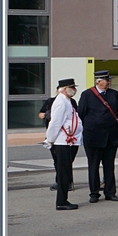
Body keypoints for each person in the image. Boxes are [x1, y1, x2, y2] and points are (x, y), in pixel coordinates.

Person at [77, 70, 118, 203]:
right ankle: (94, 193)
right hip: (94, 136)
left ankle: (110, 192)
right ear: (98, 81)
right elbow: (81, 113)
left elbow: (116, 109)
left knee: (109, 165)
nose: (109, 82)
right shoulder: (87, 94)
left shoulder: (113, 93)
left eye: (109, 80)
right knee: (93, 165)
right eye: (106, 80)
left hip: (111, 136)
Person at [43, 78, 81, 210]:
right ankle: (61, 201)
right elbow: (55, 123)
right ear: (64, 89)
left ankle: (63, 200)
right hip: (62, 142)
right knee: (64, 172)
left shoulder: (67, 101)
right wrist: (50, 140)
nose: (74, 90)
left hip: (68, 141)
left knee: (66, 171)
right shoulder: (60, 102)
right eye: (72, 87)